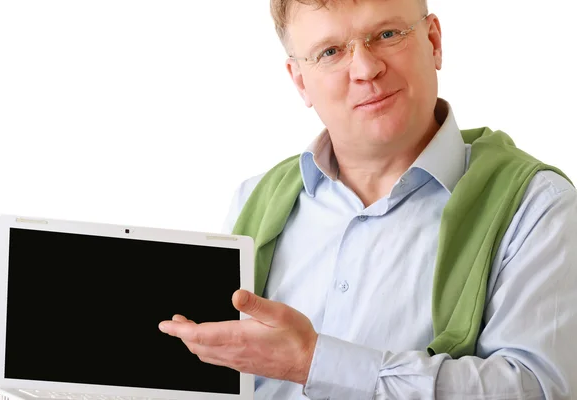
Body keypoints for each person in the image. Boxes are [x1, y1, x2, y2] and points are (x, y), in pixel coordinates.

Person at [158, 0, 577, 398]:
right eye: (330, 52)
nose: (365, 68)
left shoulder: (537, 206)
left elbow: (540, 388)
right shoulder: (255, 200)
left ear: (433, 42)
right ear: (300, 80)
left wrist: (313, 363)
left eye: (387, 34)